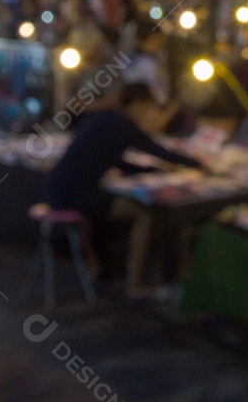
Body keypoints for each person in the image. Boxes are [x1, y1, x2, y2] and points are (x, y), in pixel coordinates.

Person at [44, 83, 199, 297]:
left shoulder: (105, 119)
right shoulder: (124, 126)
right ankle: (136, 284)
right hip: (73, 196)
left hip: (55, 188)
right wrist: (198, 164)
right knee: (143, 215)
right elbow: (157, 150)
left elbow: (119, 162)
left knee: (108, 207)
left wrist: (155, 170)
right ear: (137, 104)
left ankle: (97, 267)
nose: (148, 114)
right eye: (147, 107)